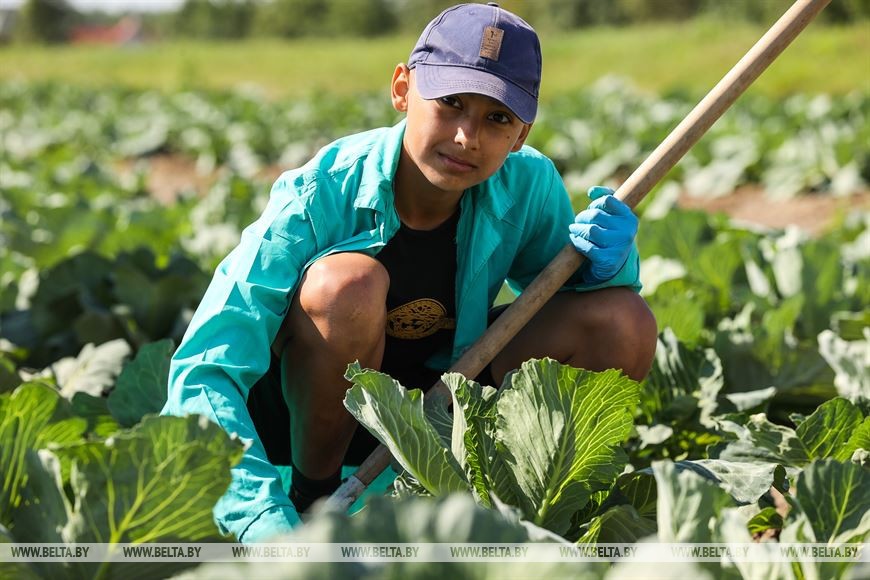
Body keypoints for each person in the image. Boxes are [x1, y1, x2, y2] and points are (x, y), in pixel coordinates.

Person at [162, 2, 657, 543]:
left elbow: (582, 300)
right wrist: (261, 523)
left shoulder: (528, 184)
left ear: (521, 134)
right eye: (450, 103)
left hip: (441, 411)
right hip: (303, 425)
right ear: (402, 89)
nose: (468, 137)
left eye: (497, 119)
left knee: (622, 320)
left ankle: (521, 510)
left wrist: (613, 261)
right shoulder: (319, 191)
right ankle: (313, 503)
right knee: (347, 286)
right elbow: (205, 368)